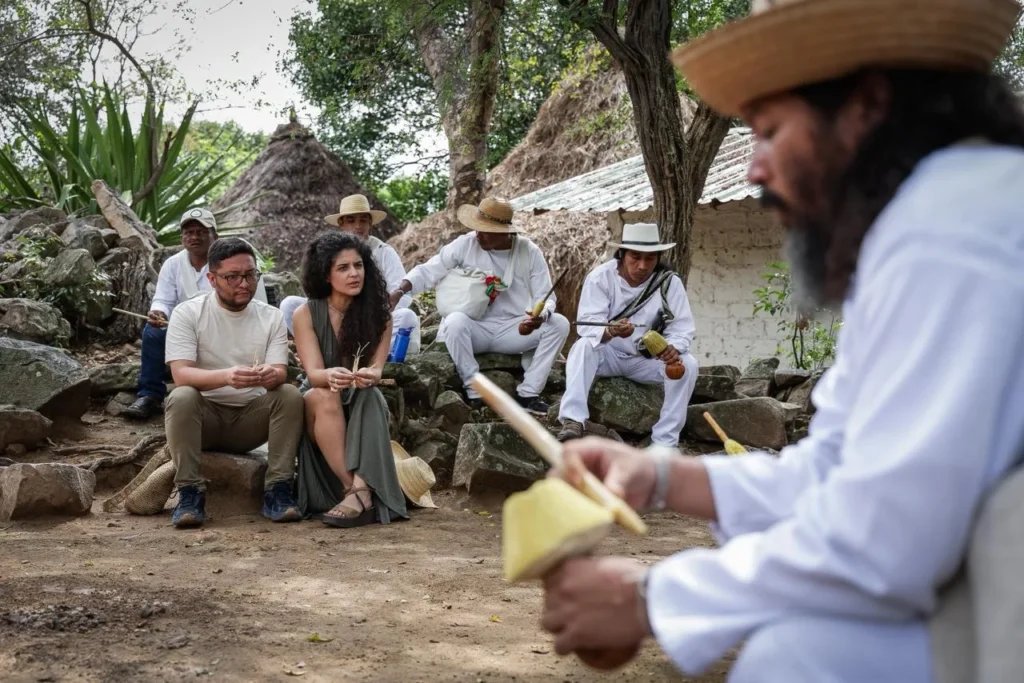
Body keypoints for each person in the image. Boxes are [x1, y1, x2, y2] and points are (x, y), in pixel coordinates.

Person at [537, 0, 1024, 680]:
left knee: (800, 658)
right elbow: (835, 466)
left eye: (769, 131)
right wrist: (660, 475)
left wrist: (650, 597)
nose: (754, 170)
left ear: (867, 106)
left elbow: (887, 539)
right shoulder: (936, 218)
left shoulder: (951, 234)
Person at [163, 237, 303, 528]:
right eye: (233, 277)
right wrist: (227, 377)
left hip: (250, 419)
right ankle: (190, 493)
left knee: (289, 394)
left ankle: (277, 489)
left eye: (251, 275)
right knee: (182, 396)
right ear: (212, 279)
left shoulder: (272, 317)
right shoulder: (188, 313)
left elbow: (279, 371)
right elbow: (181, 374)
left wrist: (269, 374)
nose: (244, 283)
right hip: (205, 420)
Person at [390, 197, 570, 413]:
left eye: (486, 230)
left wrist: (539, 316)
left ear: (506, 232)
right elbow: (428, 271)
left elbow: (546, 296)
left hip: (514, 329)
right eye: (477, 228)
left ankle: (528, 394)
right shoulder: (465, 244)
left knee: (559, 324)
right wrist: (400, 290)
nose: (478, 234)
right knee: (454, 321)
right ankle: (475, 391)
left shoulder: (529, 252)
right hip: (474, 329)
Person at [291, 231, 408, 528]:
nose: (354, 274)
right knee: (323, 394)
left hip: (361, 398)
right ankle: (356, 489)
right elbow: (314, 374)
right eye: (343, 268)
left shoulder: (380, 315)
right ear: (326, 275)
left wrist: (371, 374)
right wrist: (330, 375)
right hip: (320, 403)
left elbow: (378, 368)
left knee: (371, 395)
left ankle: (358, 492)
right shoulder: (305, 313)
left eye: (358, 265)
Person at [557, 223, 699, 445]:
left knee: (688, 364)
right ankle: (573, 420)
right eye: (636, 257)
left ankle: (665, 441)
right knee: (583, 346)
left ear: (658, 257)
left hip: (646, 361)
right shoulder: (600, 277)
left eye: (650, 258)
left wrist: (672, 348)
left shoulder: (669, 282)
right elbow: (587, 327)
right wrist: (610, 331)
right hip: (608, 356)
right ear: (622, 254)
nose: (642, 266)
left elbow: (682, 328)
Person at [123, 208, 268, 419]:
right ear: (182, 237)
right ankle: (150, 395)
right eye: (189, 232)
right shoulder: (173, 264)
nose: (194, 237)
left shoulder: (231, 263)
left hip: (226, 327)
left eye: (201, 232)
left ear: (215, 236)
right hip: (185, 330)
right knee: (153, 332)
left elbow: (251, 300)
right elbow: (163, 300)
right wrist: (158, 312)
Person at [280, 194, 420, 353]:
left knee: (406, 318)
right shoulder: (328, 251)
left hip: (372, 323)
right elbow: (317, 292)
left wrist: (372, 311)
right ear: (341, 224)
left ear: (370, 223)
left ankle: (359, 353)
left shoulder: (384, 252)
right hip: (334, 319)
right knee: (289, 305)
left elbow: (402, 296)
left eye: (363, 220)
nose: (358, 226)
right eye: (351, 220)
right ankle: (322, 351)